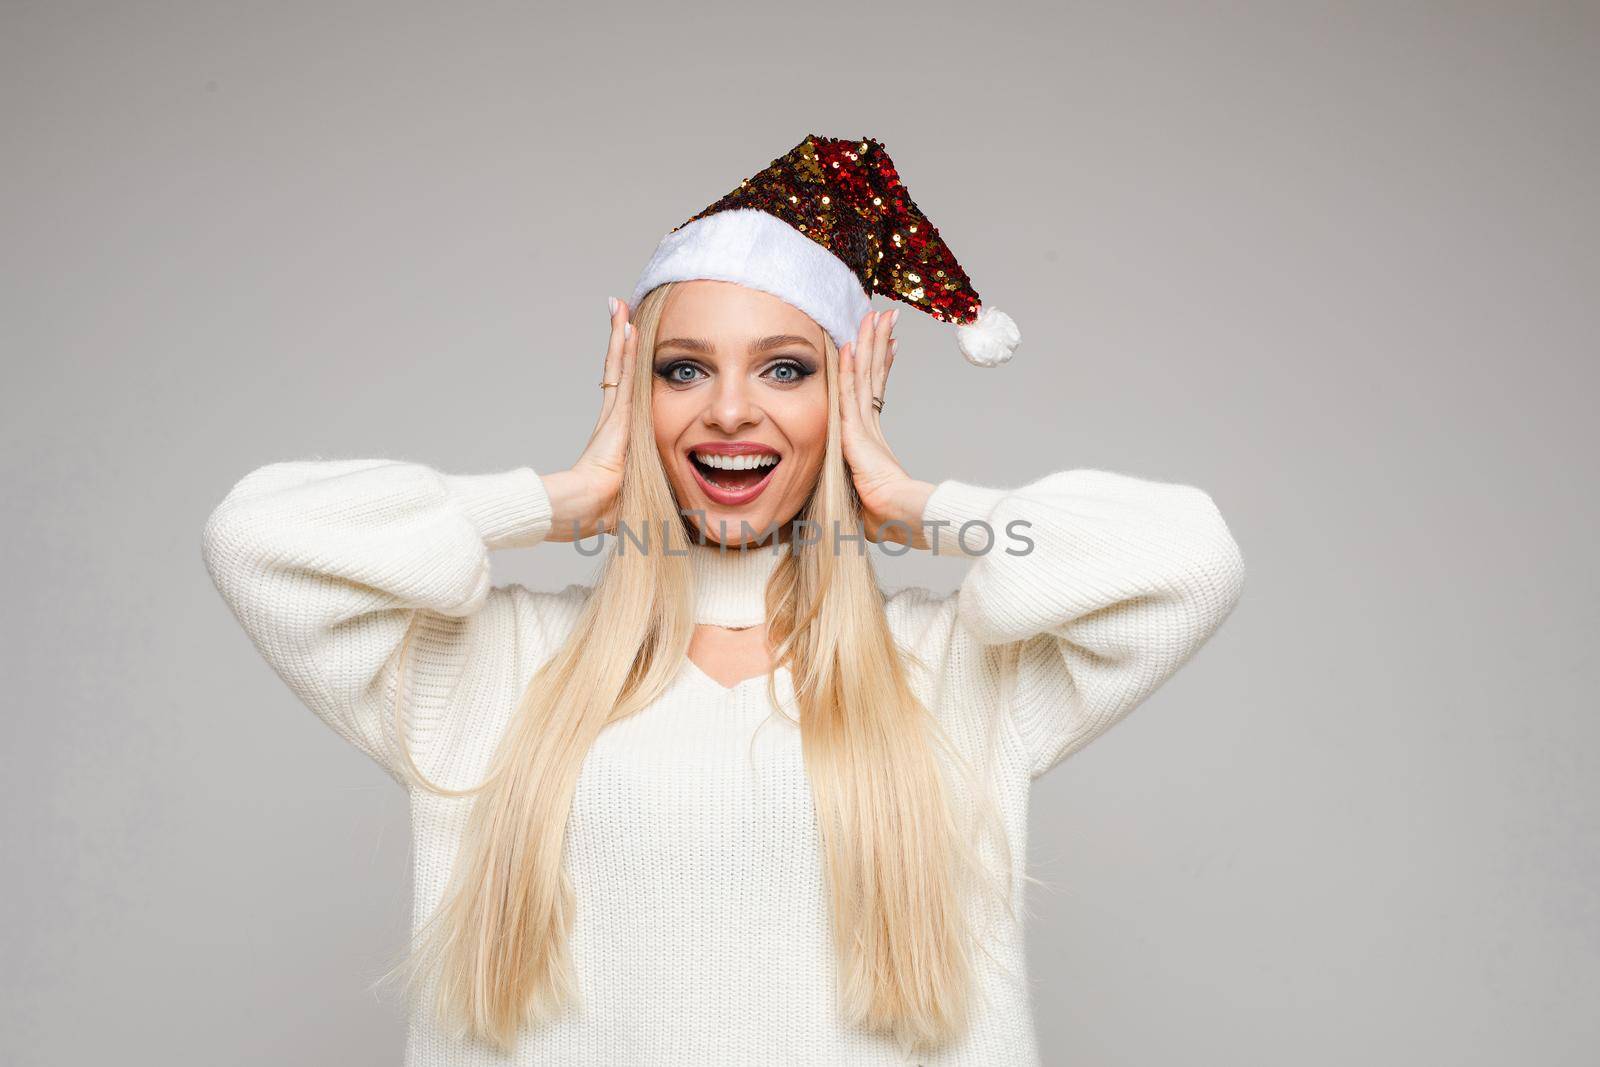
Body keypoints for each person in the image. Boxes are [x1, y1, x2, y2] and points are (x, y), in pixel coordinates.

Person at [201, 134, 1246, 1066]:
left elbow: (1188, 557)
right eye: (684, 369)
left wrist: (913, 503)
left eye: (785, 369)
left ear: (841, 399)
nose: (731, 408)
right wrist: (557, 499)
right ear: (633, 397)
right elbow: (258, 536)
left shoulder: (955, 667)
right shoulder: (490, 664)